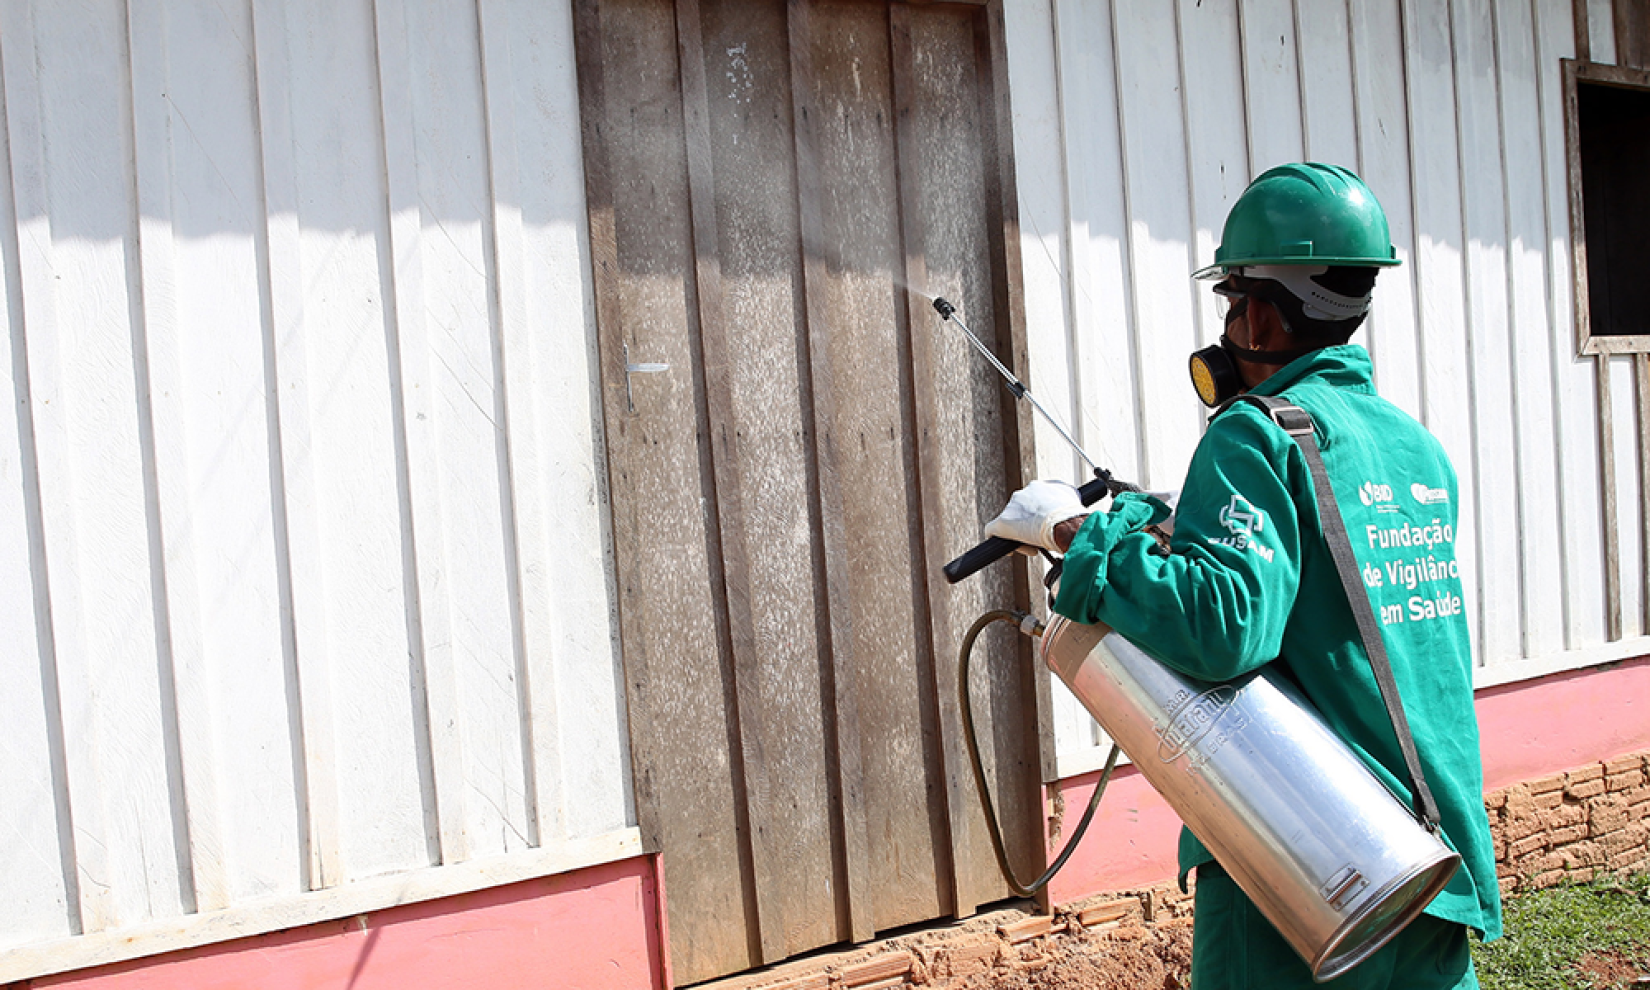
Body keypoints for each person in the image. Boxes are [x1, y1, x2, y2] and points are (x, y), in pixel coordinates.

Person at [984, 162, 1501, 989]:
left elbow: (1227, 625)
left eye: (1231, 300)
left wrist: (1086, 541)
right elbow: (1331, 600)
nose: (1228, 323)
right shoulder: (1413, 448)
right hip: (1425, 854)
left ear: (1266, 307)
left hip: (1307, 862)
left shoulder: (1252, 435)